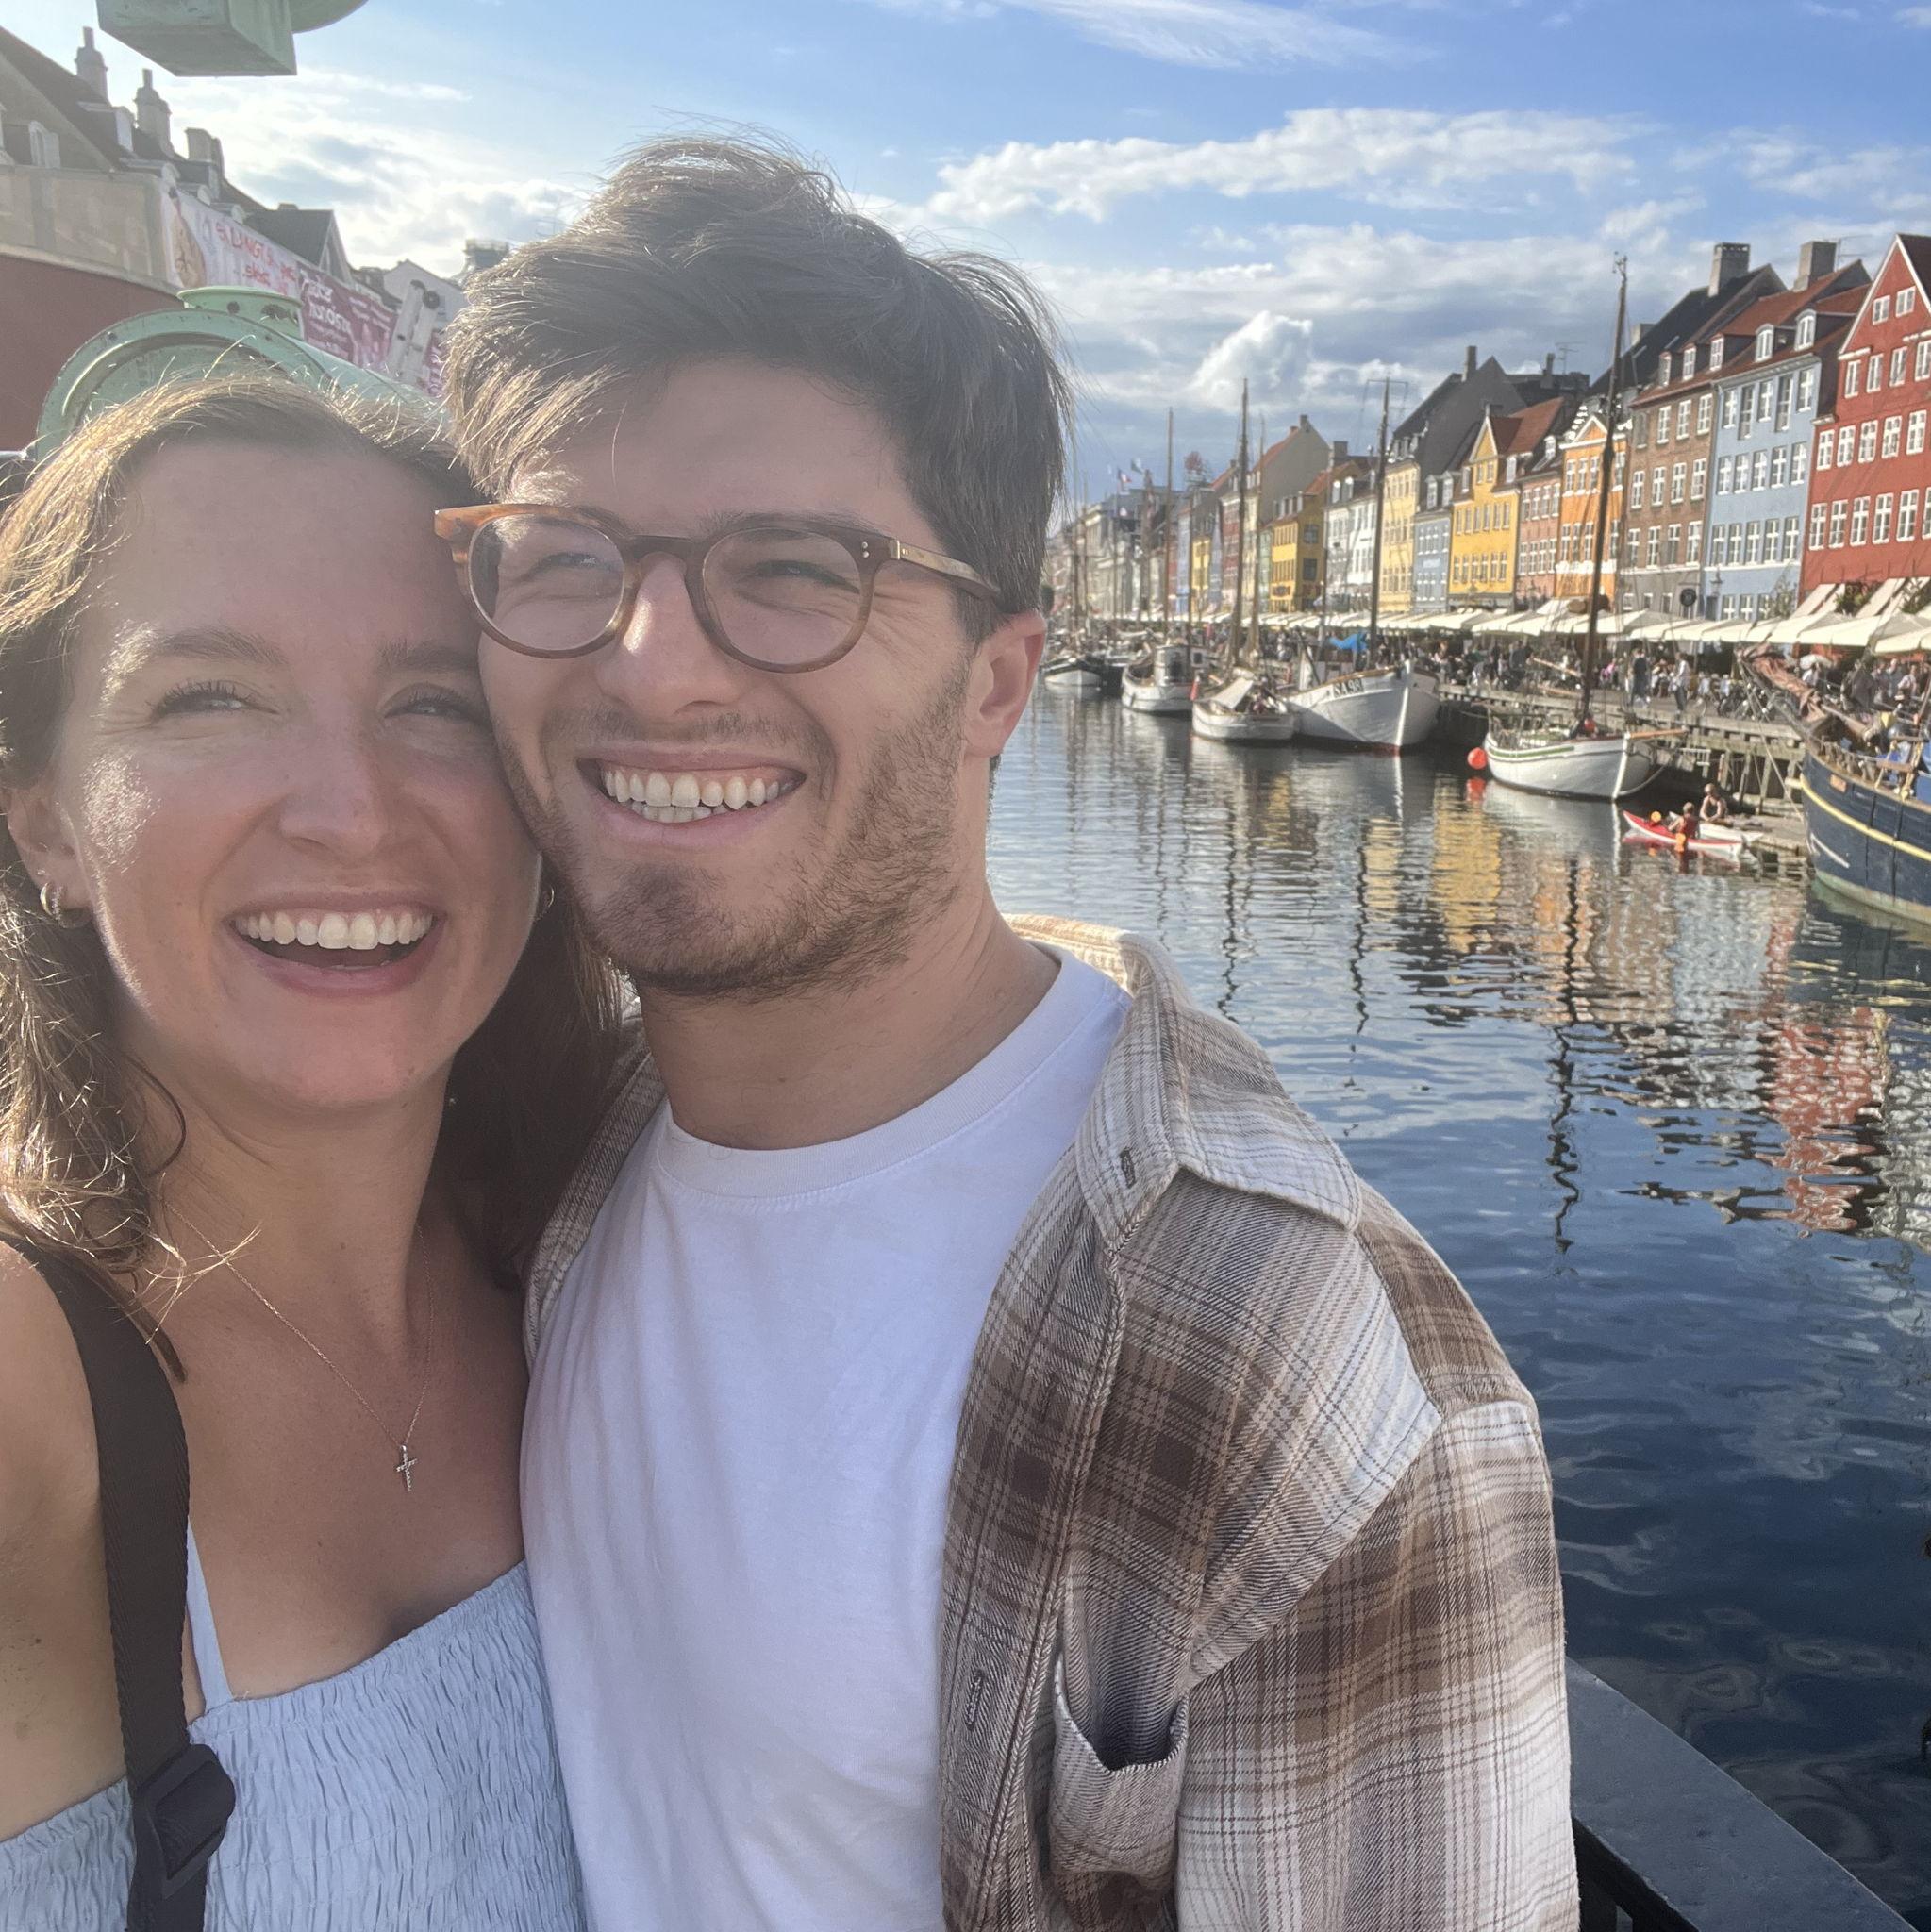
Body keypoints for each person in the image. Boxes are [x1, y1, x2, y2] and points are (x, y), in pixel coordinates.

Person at [443, 139, 1576, 1932]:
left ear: (995, 682)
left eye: (794, 569)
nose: (651, 660)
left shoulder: (1284, 1366)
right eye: (566, 557)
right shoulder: (572, 1134)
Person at [0, 379, 624, 1926]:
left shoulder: (596, 1257)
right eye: (210, 698)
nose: (352, 813)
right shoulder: (26, 1388)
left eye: (438, 706)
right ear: (47, 823)